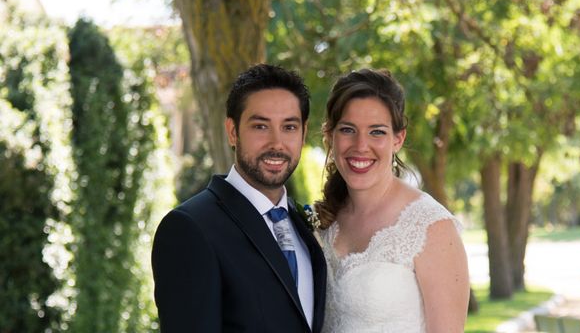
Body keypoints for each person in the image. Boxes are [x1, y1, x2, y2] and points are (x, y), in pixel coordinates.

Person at [152, 64, 327, 333]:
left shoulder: (302, 225)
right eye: (260, 126)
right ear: (233, 132)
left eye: (289, 127)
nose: (277, 143)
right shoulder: (189, 228)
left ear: (303, 133)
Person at [316, 68, 469, 333]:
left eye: (377, 132)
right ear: (330, 135)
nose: (361, 145)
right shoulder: (322, 222)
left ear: (398, 139)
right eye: (348, 129)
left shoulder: (431, 227)